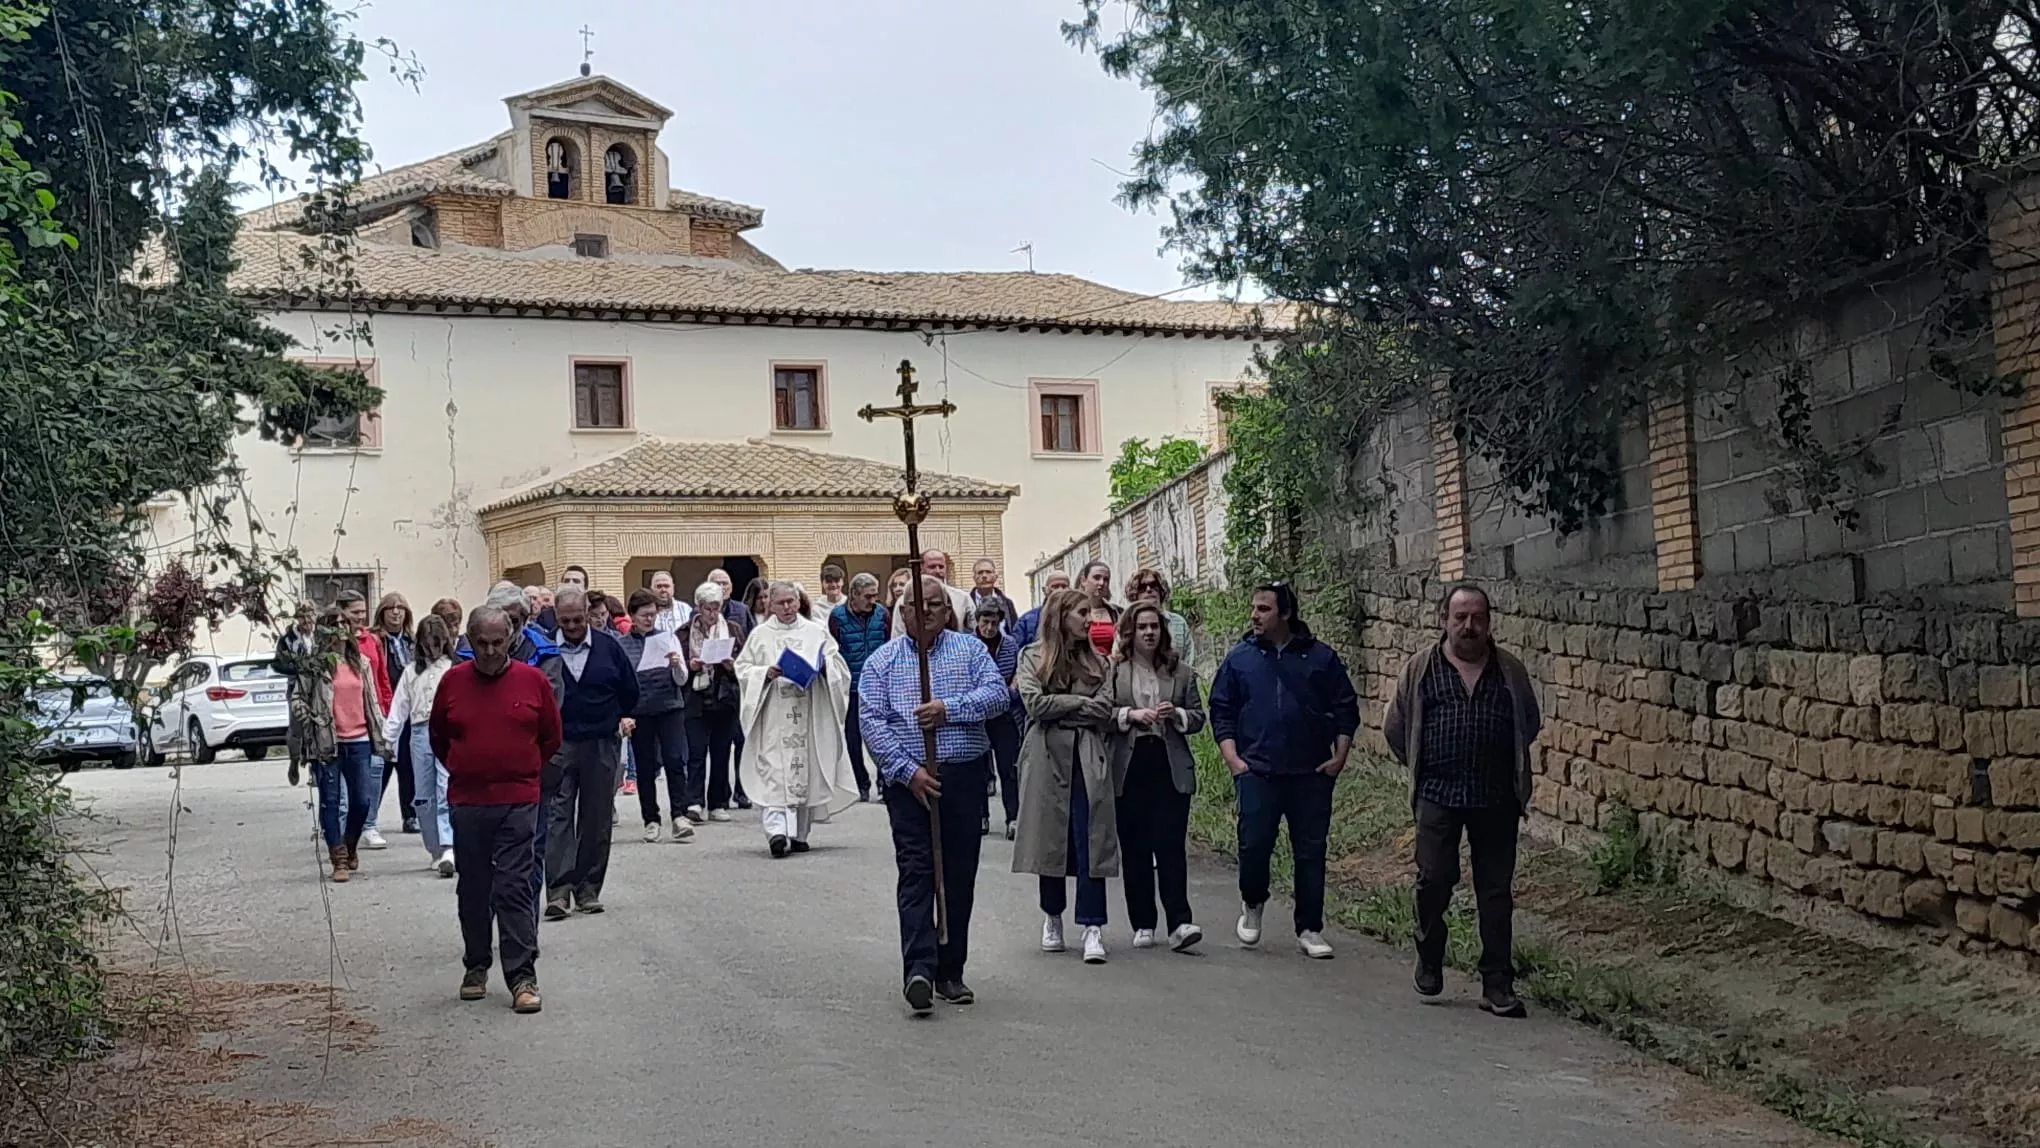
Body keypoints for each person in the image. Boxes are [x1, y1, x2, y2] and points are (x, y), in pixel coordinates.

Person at [1383, 584, 1542, 1019]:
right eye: (1460, 618)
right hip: (1438, 795)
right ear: (1444, 620)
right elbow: (1395, 729)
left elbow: (1528, 722)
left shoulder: (1509, 671)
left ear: (1489, 622)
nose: (1469, 626)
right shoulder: (1421, 670)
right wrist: (1423, 765)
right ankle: (1430, 956)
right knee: (1434, 879)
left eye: (1477, 618)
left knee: (1495, 892)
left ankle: (1497, 984)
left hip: (1495, 799)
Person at [859, 575, 1010, 1016]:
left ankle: (950, 969)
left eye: (935, 604)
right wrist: (909, 772)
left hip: (962, 777)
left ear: (948, 611)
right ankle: (919, 969)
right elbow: (872, 722)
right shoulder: (882, 662)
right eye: (914, 604)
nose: (924, 611)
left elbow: (997, 696)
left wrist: (949, 709)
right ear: (901, 612)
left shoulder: (970, 651)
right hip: (909, 786)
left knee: (959, 873)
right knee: (917, 870)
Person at [1209, 582, 1359, 961]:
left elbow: (1345, 707)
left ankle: (1309, 927)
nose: (1255, 616)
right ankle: (1253, 903)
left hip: (1310, 771)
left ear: (1285, 614)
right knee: (1254, 844)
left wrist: (1339, 756)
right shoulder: (1239, 659)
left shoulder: (1321, 657)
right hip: (1257, 770)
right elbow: (1222, 710)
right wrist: (1233, 760)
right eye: (1253, 609)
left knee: (1310, 850)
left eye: (1264, 609)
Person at [431, 605, 560, 1015]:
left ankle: (522, 975)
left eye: (497, 643)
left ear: (511, 640)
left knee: (514, 887)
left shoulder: (532, 680)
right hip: (469, 800)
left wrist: (522, 772)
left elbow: (550, 738)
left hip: (519, 799)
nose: (489, 651)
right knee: (474, 886)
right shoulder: (452, 682)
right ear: (469, 640)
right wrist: (468, 767)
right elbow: (439, 737)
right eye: (481, 643)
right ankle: (476, 965)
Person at [1014, 589, 1119, 965]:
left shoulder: (1101, 662)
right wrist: (1078, 703)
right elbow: (1035, 705)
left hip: (1088, 757)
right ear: (1061, 616)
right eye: (1081, 613)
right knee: (1050, 839)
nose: (1089, 620)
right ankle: (1052, 916)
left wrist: (1066, 709)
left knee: (1091, 838)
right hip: (1046, 758)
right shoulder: (1032, 657)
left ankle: (1093, 926)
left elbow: (1106, 709)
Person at [1107, 601, 1208, 952]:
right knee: (1135, 846)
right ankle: (1143, 922)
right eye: (1142, 627)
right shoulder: (1114, 670)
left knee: (1170, 844)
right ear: (1129, 633)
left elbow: (1198, 717)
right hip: (1130, 762)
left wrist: (1176, 713)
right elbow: (1102, 713)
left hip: (1168, 763)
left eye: (1155, 627)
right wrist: (1129, 715)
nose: (1149, 632)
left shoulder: (1180, 671)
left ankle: (1180, 921)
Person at [734, 582, 858, 857]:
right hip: (774, 715)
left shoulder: (816, 632)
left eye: (792, 601)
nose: (788, 607)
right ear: (771, 605)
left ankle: (800, 833)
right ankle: (777, 833)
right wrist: (766, 672)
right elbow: (742, 668)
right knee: (775, 772)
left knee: (806, 769)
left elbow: (838, 667)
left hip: (808, 712)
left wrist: (823, 668)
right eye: (782, 603)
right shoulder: (761, 635)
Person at [544, 586, 638, 918]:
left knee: (596, 818)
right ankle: (557, 891)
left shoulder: (609, 647)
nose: (571, 627)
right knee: (558, 817)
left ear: (588, 614)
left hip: (601, 742)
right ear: (556, 617)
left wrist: (616, 718)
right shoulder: (545, 650)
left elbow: (630, 690)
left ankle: (587, 889)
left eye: (577, 619)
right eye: (564, 620)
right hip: (558, 744)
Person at [285, 608, 391, 882]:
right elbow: (298, 696)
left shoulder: (361, 663)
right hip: (327, 741)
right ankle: (338, 858)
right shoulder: (315, 665)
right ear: (324, 630)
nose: (343, 627)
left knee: (362, 800)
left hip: (360, 740)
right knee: (331, 802)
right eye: (336, 623)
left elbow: (372, 701)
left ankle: (350, 843)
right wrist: (303, 713)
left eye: (346, 622)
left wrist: (382, 733)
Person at [385, 614, 459, 875]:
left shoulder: (452, 669)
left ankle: (449, 845)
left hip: (447, 730)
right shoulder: (410, 672)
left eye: (437, 643)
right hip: (419, 732)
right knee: (423, 795)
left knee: (444, 787)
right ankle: (435, 848)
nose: (433, 650)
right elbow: (399, 707)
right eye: (428, 644)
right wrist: (388, 738)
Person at [618, 589, 693, 844]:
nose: (649, 620)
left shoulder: (667, 637)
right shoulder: (622, 645)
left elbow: (682, 679)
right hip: (640, 711)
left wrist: (675, 666)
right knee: (646, 767)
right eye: (644, 615)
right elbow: (621, 683)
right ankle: (651, 819)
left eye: (653, 615)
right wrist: (624, 714)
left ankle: (680, 815)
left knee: (674, 759)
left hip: (669, 706)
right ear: (633, 616)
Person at [334, 590, 396, 849]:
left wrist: (387, 711)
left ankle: (369, 825)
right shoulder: (333, 644)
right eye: (354, 612)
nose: (360, 617)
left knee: (376, 770)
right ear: (342, 613)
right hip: (342, 721)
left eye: (363, 611)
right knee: (346, 789)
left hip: (371, 717)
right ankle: (342, 835)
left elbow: (382, 679)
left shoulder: (372, 641)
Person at [682, 581, 747, 822]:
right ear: (699, 607)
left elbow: (744, 663)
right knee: (696, 752)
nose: (712, 613)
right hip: (697, 698)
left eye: (716, 608)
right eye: (708, 608)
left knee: (721, 752)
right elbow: (678, 669)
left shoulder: (732, 629)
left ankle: (718, 802)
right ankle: (695, 802)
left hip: (724, 697)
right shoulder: (685, 631)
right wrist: (691, 667)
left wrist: (732, 666)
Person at [828, 572, 889, 802]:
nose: (873, 600)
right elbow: (834, 651)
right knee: (852, 739)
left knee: (882, 736)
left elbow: (889, 645)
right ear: (853, 594)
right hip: (851, 688)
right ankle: (861, 784)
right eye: (868, 596)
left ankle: (885, 782)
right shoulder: (837, 617)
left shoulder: (882, 614)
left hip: (878, 687)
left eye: (875, 595)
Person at [971, 599, 1022, 839]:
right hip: (978, 715)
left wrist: (1009, 691)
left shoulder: (1010, 646)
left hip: (1004, 713)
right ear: (977, 621)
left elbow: (1016, 676)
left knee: (1009, 767)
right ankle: (981, 815)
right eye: (985, 622)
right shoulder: (968, 645)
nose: (989, 628)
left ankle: (1013, 816)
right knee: (979, 769)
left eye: (994, 623)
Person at [374, 592, 421, 835]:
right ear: (381, 613)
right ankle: (368, 816)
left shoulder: (413, 641)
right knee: (380, 767)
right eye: (390, 608)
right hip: (383, 711)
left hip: (410, 713)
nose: (395, 612)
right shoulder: (375, 641)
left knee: (408, 766)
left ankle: (410, 815)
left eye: (400, 608)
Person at [889, 550, 973, 638]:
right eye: (932, 567)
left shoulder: (962, 598)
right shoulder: (905, 600)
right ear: (921, 569)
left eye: (941, 567)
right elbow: (898, 634)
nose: (938, 571)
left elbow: (974, 631)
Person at [1127, 569, 1195, 665]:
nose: (1149, 589)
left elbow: (1189, 657)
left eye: (1154, 585)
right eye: (1142, 587)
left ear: (1161, 590)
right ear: (1135, 594)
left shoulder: (1179, 623)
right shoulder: (1127, 624)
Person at [1015, 570, 1071, 649]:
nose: (1060, 590)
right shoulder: (1027, 621)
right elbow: (1016, 651)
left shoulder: (1077, 617)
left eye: (1064, 586)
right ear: (1045, 590)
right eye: (1055, 586)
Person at [969, 558, 1018, 630]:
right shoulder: (966, 603)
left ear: (995, 577)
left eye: (988, 572)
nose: (984, 576)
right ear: (974, 578)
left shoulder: (1007, 604)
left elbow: (1014, 630)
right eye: (980, 572)